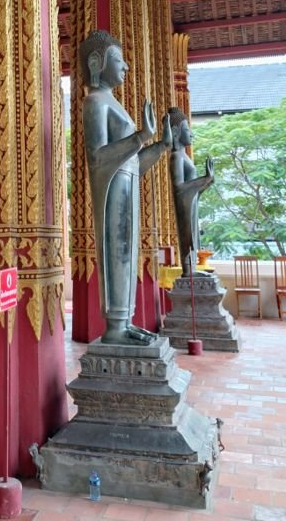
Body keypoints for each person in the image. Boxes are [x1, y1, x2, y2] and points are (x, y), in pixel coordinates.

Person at [80, 30, 172, 345]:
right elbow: (97, 157)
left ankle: (125, 322)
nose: (126, 67)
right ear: (96, 62)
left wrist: (158, 146)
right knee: (116, 252)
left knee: (127, 254)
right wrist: (139, 137)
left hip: (126, 186)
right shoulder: (94, 102)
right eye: (119, 60)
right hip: (111, 190)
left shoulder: (112, 102)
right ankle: (115, 326)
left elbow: (133, 163)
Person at [168, 107, 214, 277]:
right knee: (187, 237)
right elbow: (179, 187)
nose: (192, 134)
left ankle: (192, 270)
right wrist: (203, 179)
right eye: (187, 130)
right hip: (184, 206)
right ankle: (188, 272)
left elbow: (192, 187)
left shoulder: (184, 156)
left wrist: (206, 182)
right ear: (175, 132)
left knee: (193, 237)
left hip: (191, 203)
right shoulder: (176, 157)